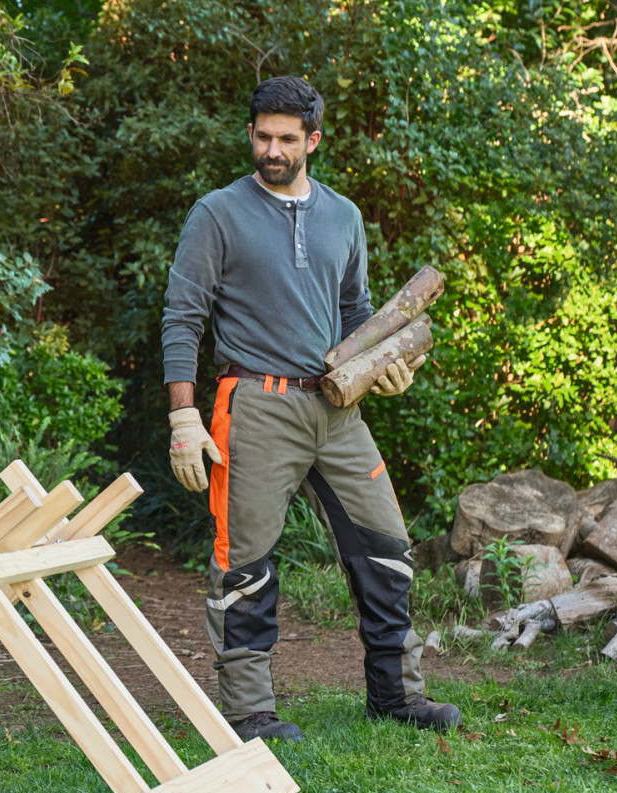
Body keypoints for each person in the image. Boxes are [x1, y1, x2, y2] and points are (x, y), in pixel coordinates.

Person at [160, 75, 459, 742]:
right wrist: (183, 416)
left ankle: (396, 693)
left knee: (387, 547)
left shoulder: (344, 217)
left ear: (313, 141)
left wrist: (388, 368)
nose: (271, 148)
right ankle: (249, 713)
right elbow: (182, 318)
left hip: (337, 409)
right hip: (254, 407)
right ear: (250, 134)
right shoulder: (217, 214)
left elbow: (357, 315)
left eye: (286, 139)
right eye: (262, 136)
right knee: (246, 563)